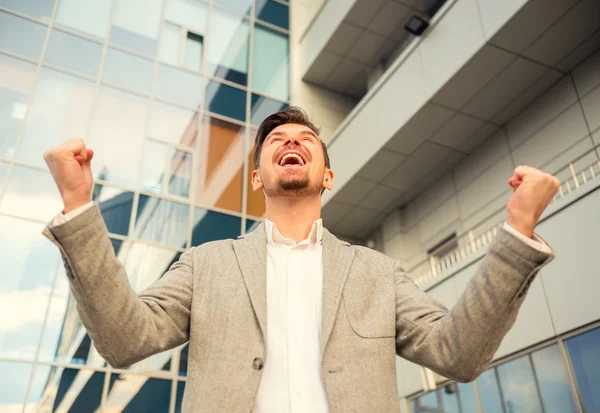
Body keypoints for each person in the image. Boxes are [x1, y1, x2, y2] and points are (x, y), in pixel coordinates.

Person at [42, 107, 559, 413]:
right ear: (257, 178)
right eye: (276, 141)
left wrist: (517, 232)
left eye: (305, 139)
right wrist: (78, 206)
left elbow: (457, 353)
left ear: (327, 176)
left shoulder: (378, 273)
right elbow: (125, 339)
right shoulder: (204, 265)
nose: (291, 141)